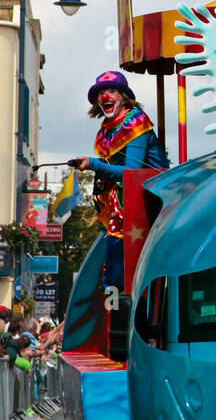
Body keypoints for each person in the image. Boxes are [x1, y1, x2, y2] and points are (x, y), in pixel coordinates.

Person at [69, 70, 169, 293]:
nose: (106, 96)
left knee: (120, 258)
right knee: (113, 258)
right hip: (123, 202)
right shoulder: (107, 130)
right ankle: (114, 303)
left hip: (148, 202)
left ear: (124, 96)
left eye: (112, 90)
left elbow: (132, 173)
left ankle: (121, 301)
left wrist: (94, 165)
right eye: (101, 92)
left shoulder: (135, 122)